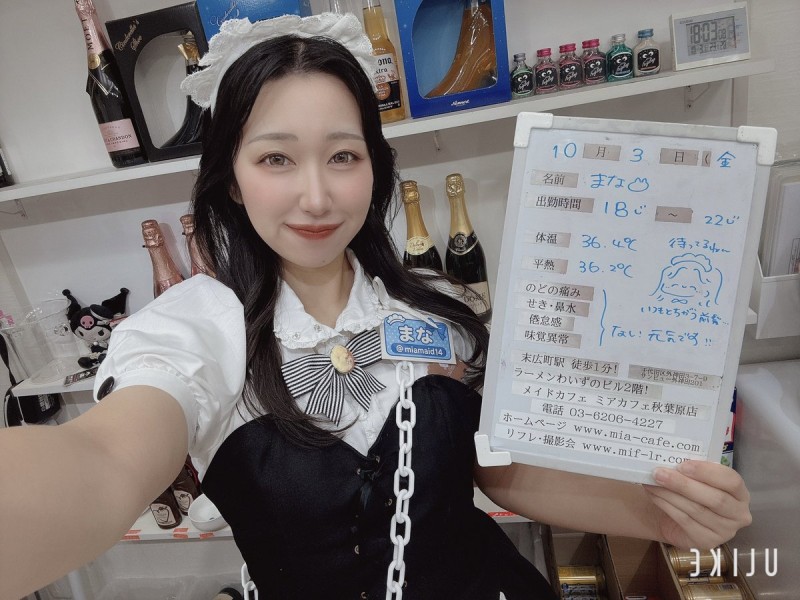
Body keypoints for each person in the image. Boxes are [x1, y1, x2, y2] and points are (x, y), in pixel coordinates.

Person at [0, 13, 751, 600]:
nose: (316, 196)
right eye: (276, 159)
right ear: (231, 176)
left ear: (374, 166)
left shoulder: (436, 307)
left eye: (343, 156)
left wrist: (656, 513)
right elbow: (104, 460)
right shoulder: (193, 329)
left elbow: (497, 472)